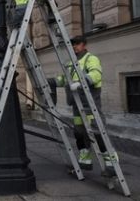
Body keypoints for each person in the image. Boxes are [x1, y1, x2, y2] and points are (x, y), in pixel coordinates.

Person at [48, 35, 118, 171]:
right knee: (79, 132)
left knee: (97, 131)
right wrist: (52, 82)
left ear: (84, 45)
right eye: (72, 44)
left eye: (77, 44)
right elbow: (64, 79)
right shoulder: (70, 63)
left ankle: (110, 159)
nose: (74, 47)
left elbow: (96, 75)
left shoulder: (91, 59)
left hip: (89, 103)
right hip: (76, 104)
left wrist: (81, 83)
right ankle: (85, 157)